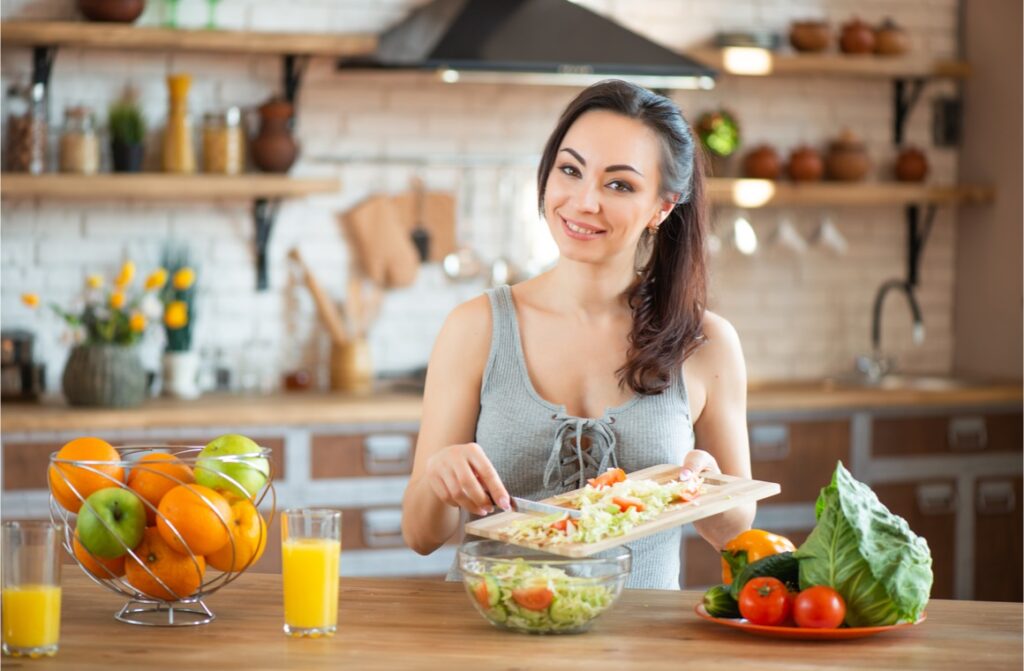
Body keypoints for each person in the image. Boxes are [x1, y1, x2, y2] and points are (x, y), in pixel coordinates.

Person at [401, 80, 753, 589]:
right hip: (498, 636)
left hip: (638, 647)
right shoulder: (476, 327)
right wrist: (441, 475)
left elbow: (734, 534)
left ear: (663, 206)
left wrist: (709, 488)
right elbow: (420, 534)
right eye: (570, 170)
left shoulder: (706, 343)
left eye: (619, 185)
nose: (584, 201)